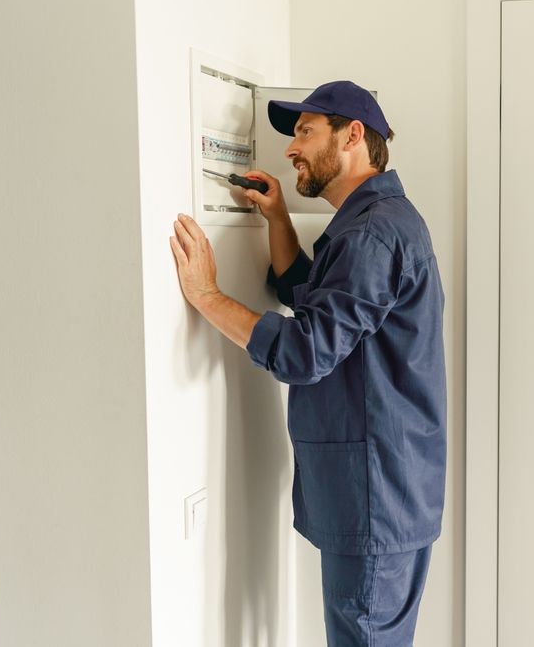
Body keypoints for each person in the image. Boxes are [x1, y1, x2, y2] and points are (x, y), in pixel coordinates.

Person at [169, 80, 446, 646]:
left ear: (352, 136)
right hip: (389, 492)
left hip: (376, 496)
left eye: (303, 131)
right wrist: (276, 218)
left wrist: (206, 296)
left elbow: (306, 352)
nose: (291, 148)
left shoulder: (372, 233)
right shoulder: (373, 223)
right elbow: (315, 300)